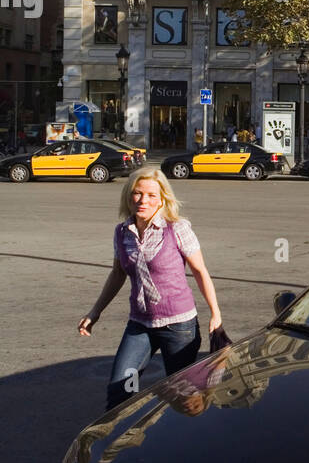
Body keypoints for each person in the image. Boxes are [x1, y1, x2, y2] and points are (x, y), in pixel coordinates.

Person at [78, 168, 223, 412]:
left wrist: (215, 314)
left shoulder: (177, 229)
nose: (143, 200)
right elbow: (117, 273)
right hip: (140, 325)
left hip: (179, 327)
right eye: (137, 193)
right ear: (128, 195)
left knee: (183, 398)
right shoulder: (122, 232)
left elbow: (200, 271)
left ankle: (181, 444)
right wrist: (95, 312)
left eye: (151, 195)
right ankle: (124, 443)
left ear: (163, 198)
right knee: (121, 391)